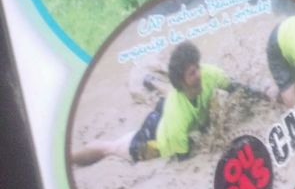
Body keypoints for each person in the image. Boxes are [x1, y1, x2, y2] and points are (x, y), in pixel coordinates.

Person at [71, 42, 238, 166]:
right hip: (153, 136)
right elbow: (184, 161)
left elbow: (237, 88)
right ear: (181, 81)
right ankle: (68, 158)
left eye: (197, 69)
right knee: (111, 148)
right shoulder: (177, 125)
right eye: (193, 73)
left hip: (171, 105)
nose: (200, 75)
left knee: (186, 100)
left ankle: (152, 82)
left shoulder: (208, 73)